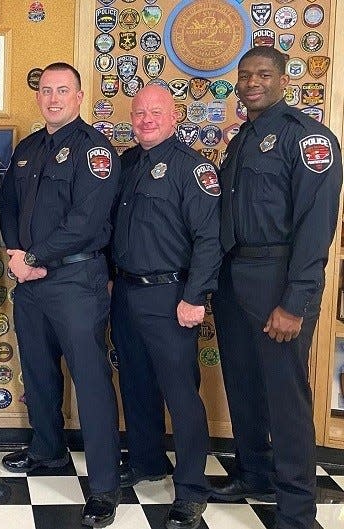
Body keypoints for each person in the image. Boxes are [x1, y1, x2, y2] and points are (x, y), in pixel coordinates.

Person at [212, 46, 342, 529]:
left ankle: (296, 510)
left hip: (277, 280)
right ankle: (254, 475)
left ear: (283, 80)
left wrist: (295, 302)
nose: (251, 83)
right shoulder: (244, 138)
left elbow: (315, 227)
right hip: (233, 278)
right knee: (243, 386)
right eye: (244, 76)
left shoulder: (308, 139)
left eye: (263, 75)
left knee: (285, 399)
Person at [0, 62, 121, 528]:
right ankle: (47, 451)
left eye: (62, 90)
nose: (53, 98)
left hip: (75, 281)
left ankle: (105, 487)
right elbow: (7, 204)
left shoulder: (95, 152)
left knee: (89, 382)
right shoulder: (28, 149)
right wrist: (15, 251)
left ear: (79, 95)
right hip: (29, 282)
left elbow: (87, 222)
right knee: (39, 373)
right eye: (46, 90)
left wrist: (33, 258)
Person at [110, 85, 222, 529]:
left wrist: (195, 297)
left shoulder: (193, 168)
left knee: (180, 394)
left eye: (155, 112)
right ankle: (148, 462)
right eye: (138, 113)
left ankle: (192, 488)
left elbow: (209, 239)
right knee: (135, 383)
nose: (145, 120)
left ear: (174, 116)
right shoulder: (126, 164)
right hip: (126, 292)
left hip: (171, 296)